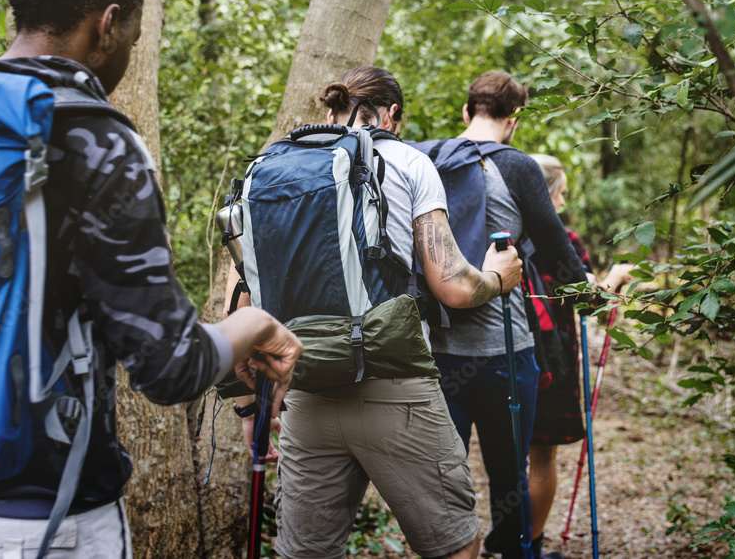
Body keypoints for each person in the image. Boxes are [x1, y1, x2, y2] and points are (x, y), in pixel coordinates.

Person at [0, 0, 302, 558]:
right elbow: (169, 366)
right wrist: (257, 325)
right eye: (132, 38)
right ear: (109, 22)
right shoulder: (92, 138)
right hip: (46, 522)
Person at [228, 66, 524, 559]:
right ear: (393, 116)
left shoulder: (272, 171)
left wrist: (246, 407)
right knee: (455, 545)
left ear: (328, 113)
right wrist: (497, 277)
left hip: (305, 394)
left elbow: (241, 299)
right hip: (395, 391)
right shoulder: (408, 161)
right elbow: (450, 284)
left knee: (305, 553)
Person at [429, 70, 589, 559]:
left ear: (466, 111)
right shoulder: (518, 167)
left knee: (442, 477)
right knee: (508, 478)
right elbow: (562, 262)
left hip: (435, 350)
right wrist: (595, 298)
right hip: (504, 354)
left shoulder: (427, 159)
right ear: (513, 121)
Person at [526, 154, 631, 559]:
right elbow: (597, 306)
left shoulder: (498, 235)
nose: (564, 203)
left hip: (498, 358)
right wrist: (617, 278)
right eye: (562, 194)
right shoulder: (564, 242)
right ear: (548, 196)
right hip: (552, 363)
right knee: (540, 458)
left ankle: (510, 538)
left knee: (507, 456)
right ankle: (528, 549)